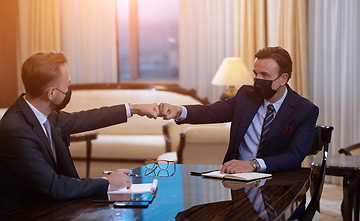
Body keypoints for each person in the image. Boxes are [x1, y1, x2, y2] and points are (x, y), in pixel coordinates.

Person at [158, 46, 319, 218]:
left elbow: (294, 156)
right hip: (236, 184)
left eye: (264, 75)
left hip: (279, 185)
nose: (258, 79)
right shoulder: (245, 96)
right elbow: (211, 111)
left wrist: (252, 164)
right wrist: (177, 111)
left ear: (283, 78)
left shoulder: (304, 110)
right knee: (186, 215)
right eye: (255, 74)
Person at [0, 51, 159, 211]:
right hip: (22, 212)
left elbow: (86, 118)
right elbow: (54, 186)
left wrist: (133, 108)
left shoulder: (42, 114)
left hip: (48, 204)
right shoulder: (16, 131)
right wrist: (108, 182)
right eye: (67, 86)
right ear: (51, 93)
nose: (69, 90)